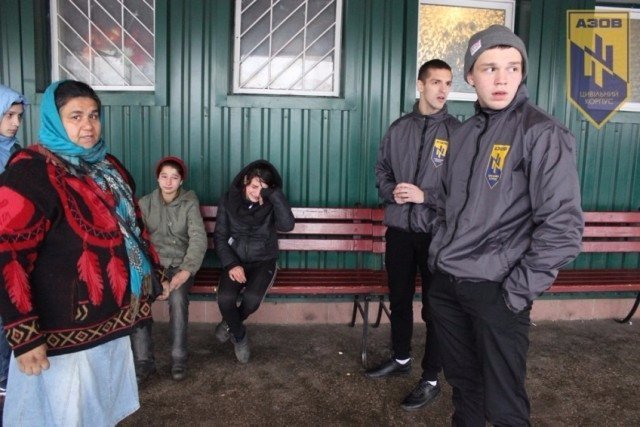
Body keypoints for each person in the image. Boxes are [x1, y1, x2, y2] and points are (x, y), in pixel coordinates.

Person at [427, 25, 584, 425]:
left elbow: (563, 228)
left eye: (513, 68)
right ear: (471, 76)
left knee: (504, 405)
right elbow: (445, 206)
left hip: (497, 291)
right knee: (465, 388)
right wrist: (438, 258)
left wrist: (515, 293)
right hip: (447, 286)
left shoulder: (541, 132)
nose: (502, 79)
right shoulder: (462, 134)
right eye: (489, 68)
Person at [0, 80, 159, 425]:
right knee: (63, 414)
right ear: (54, 120)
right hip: (60, 334)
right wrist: (24, 335)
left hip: (111, 323)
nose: (88, 125)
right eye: (75, 116)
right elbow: (8, 255)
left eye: (94, 115)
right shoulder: (30, 172)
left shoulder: (107, 165)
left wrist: (154, 271)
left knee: (101, 410)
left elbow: (133, 224)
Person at [368, 59, 460, 411]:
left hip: (436, 234)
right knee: (400, 299)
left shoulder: (457, 132)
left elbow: (463, 190)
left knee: (436, 308)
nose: (443, 89)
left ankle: (431, 378)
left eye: (448, 83)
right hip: (400, 230)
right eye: (436, 82)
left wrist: (426, 196)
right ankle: (401, 358)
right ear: (420, 85)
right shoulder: (399, 128)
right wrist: (391, 191)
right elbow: (382, 170)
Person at [131, 156, 207, 382]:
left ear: (181, 180)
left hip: (180, 265)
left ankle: (179, 358)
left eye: (174, 177)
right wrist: (154, 276)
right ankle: (143, 361)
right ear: (157, 178)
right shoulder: (146, 203)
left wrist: (185, 271)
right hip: (152, 265)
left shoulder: (189, 202)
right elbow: (138, 241)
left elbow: (198, 238)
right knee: (138, 295)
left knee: (178, 297)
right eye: (164, 176)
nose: (168, 182)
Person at [214, 160, 294, 363]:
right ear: (245, 182)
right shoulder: (228, 200)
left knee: (252, 299)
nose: (257, 192)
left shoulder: (271, 203)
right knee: (225, 298)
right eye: (254, 186)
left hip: (263, 260)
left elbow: (287, 225)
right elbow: (220, 237)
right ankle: (240, 336)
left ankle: (229, 324)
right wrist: (232, 264)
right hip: (235, 260)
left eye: (263, 188)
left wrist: (274, 196)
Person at [0, 84, 28, 398]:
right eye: (8, 115)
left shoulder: (17, 153)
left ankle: (11, 373)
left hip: (15, 242)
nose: (15, 122)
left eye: (19, 116)